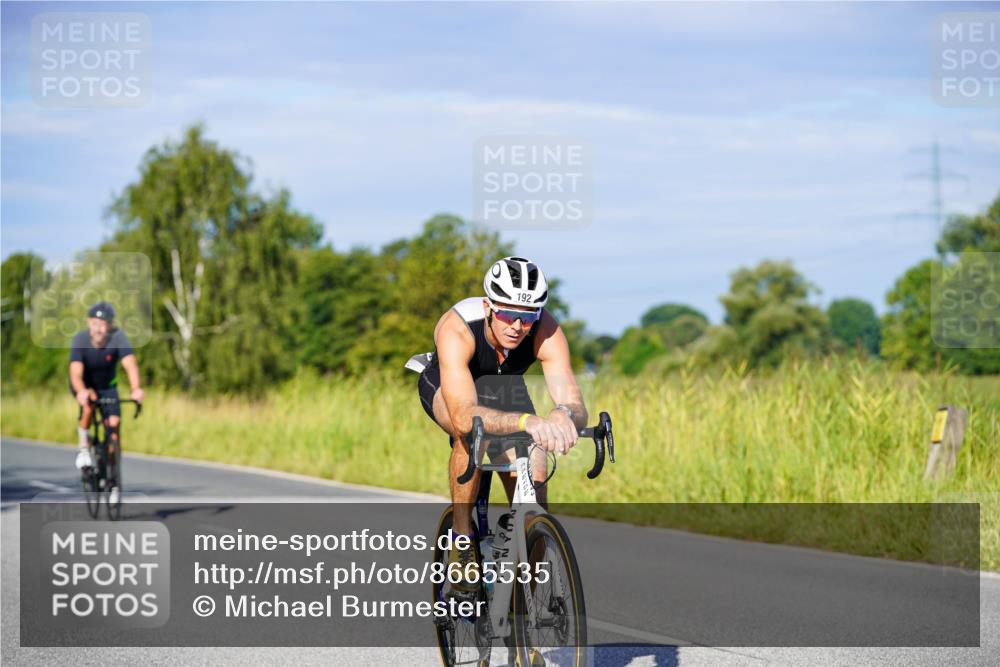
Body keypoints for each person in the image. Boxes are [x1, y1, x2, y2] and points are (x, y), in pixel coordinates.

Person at [413, 257, 587, 593]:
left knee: (535, 474)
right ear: (488, 307)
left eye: (528, 317)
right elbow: (464, 415)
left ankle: (524, 589)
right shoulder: (457, 328)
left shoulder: (546, 329)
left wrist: (563, 414)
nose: (517, 326)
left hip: (503, 387)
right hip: (452, 387)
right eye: (508, 315)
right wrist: (525, 420)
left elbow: (574, 402)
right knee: (470, 435)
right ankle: (462, 541)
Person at [69, 302, 144, 502]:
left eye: (103, 324)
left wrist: (136, 389)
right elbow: (75, 373)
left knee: (114, 426)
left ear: (110, 325)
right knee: (88, 406)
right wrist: (82, 391)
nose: (99, 329)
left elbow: (130, 365)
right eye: (95, 323)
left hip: (108, 387)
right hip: (85, 385)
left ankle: (112, 478)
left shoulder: (118, 337)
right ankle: (83, 448)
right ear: (89, 323)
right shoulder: (80, 339)